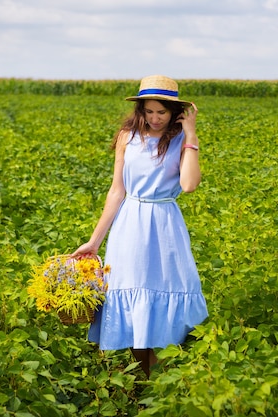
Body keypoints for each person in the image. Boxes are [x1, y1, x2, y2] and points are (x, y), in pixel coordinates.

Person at [72, 75, 208, 377]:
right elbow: (117, 190)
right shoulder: (127, 136)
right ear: (140, 110)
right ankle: (143, 381)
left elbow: (188, 185)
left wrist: (191, 134)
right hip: (130, 225)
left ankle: (160, 381)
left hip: (164, 225)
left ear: (175, 111)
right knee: (133, 301)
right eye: (149, 111)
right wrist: (94, 242)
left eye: (162, 112)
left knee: (163, 295)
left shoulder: (181, 140)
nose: (155, 118)